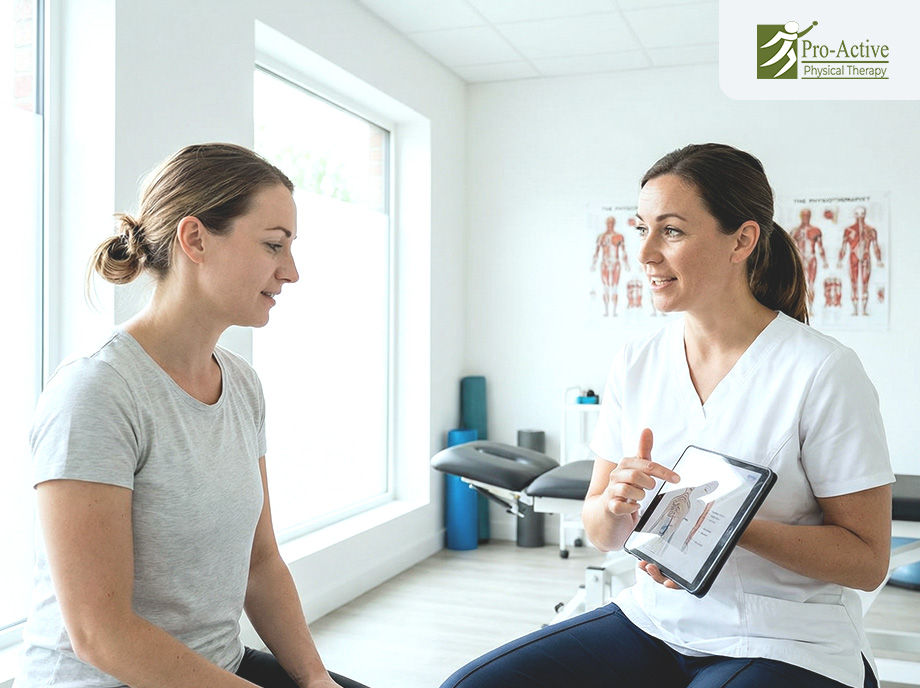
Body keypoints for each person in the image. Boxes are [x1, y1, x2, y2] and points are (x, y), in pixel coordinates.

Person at [439, 143, 892, 688]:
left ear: (742, 240)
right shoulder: (637, 361)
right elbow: (601, 531)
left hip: (785, 637)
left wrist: (726, 526)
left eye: (671, 231)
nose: (646, 253)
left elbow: (867, 561)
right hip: (655, 620)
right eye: (641, 229)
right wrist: (616, 505)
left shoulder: (821, 369)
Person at [17, 143, 369, 688]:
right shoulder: (97, 392)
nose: (292, 272)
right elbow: (99, 634)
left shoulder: (243, 386)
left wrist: (318, 680)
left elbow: (260, 565)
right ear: (195, 239)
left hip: (216, 667)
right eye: (274, 245)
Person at [591, 216, 630, 317]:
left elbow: (623, 252)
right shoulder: (601, 237)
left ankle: (614, 311)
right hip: (604, 263)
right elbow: (596, 252)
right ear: (606, 224)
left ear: (614, 224)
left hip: (616, 263)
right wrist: (593, 264)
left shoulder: (619, 236)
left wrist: (626, 265)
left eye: (612, 223)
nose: (610, 225)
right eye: (608, 223)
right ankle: (606, 311)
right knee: (606, 287)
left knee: (615, 287)